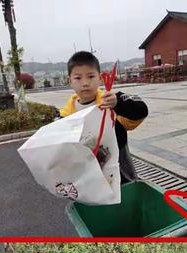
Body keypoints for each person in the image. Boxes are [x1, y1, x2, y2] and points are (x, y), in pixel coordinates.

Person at [60, 51, 148, 184]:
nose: (85, 83)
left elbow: (141, 112)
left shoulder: (111, 102)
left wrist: (118, 104)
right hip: (87, 178)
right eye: (78, 78)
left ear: (100, 78)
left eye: (90, 76)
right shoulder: (66, 115)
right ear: (70, 81)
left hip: (120, 176)